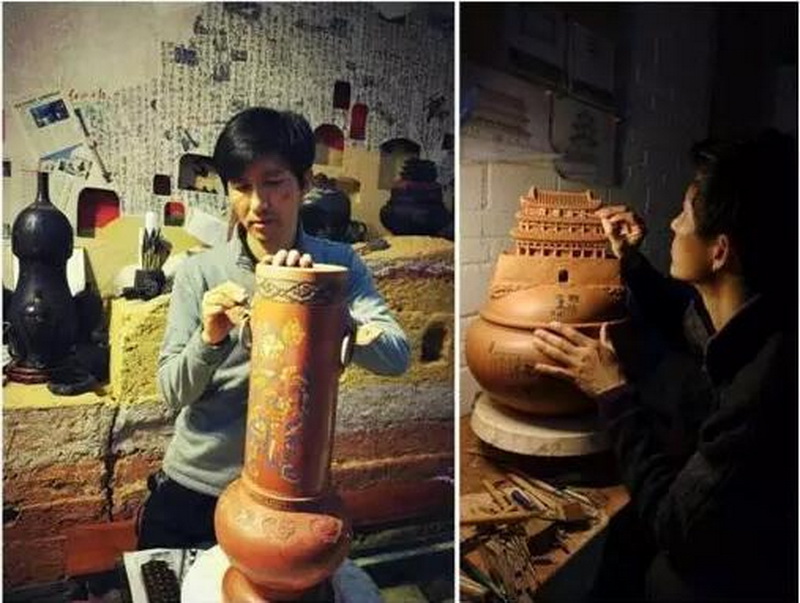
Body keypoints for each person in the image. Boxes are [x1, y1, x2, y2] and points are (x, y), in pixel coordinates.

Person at [531, 132, 797, 601]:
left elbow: (675, 524)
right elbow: (688, 318)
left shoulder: (763, 388)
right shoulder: (760, 315)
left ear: (720, 251)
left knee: (661, 577)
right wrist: (631, 261)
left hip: (755, 568)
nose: (672, 225)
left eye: (685, 214)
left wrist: (612, 394)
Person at [137, 108, 410, 549]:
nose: (258, 204)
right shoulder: (200, 272)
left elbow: (396, 357)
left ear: (304, 183)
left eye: (273, 182)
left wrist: (320, 303)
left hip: (290, 492)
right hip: (197, 486)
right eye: (241, 187)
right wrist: (209, 338)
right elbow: (172, 392)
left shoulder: (338, 264)